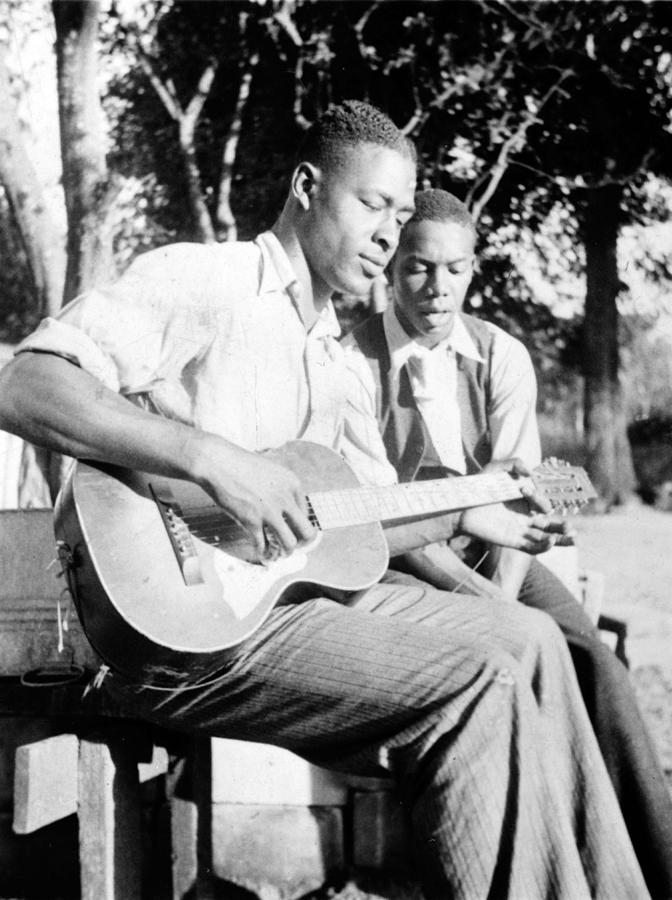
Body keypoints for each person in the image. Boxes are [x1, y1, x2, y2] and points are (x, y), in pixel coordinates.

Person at [0, 101, 653, 900]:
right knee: (481, 677)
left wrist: (463, 511)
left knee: (534, 642)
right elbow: (27, 383)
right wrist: (209, 458)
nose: (389, 233)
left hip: (285, 606)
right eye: (373, 205)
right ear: (309, 188)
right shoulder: (209, 279)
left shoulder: (335, 355)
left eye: (402, 213)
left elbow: (353, 521)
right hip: (175, 631)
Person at [343, 187, 672, 897]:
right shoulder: (350, 361)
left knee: (594, 666)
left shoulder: (500, 356)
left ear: (473, 268)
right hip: (398, 560)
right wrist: (489, 609)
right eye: (419, 269)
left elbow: (519, 492)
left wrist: (503, 595)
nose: (438, 289)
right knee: (497, 664)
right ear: (391, 270)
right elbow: (384, 522)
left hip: (497, 557)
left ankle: (653, 872)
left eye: (455, 270)